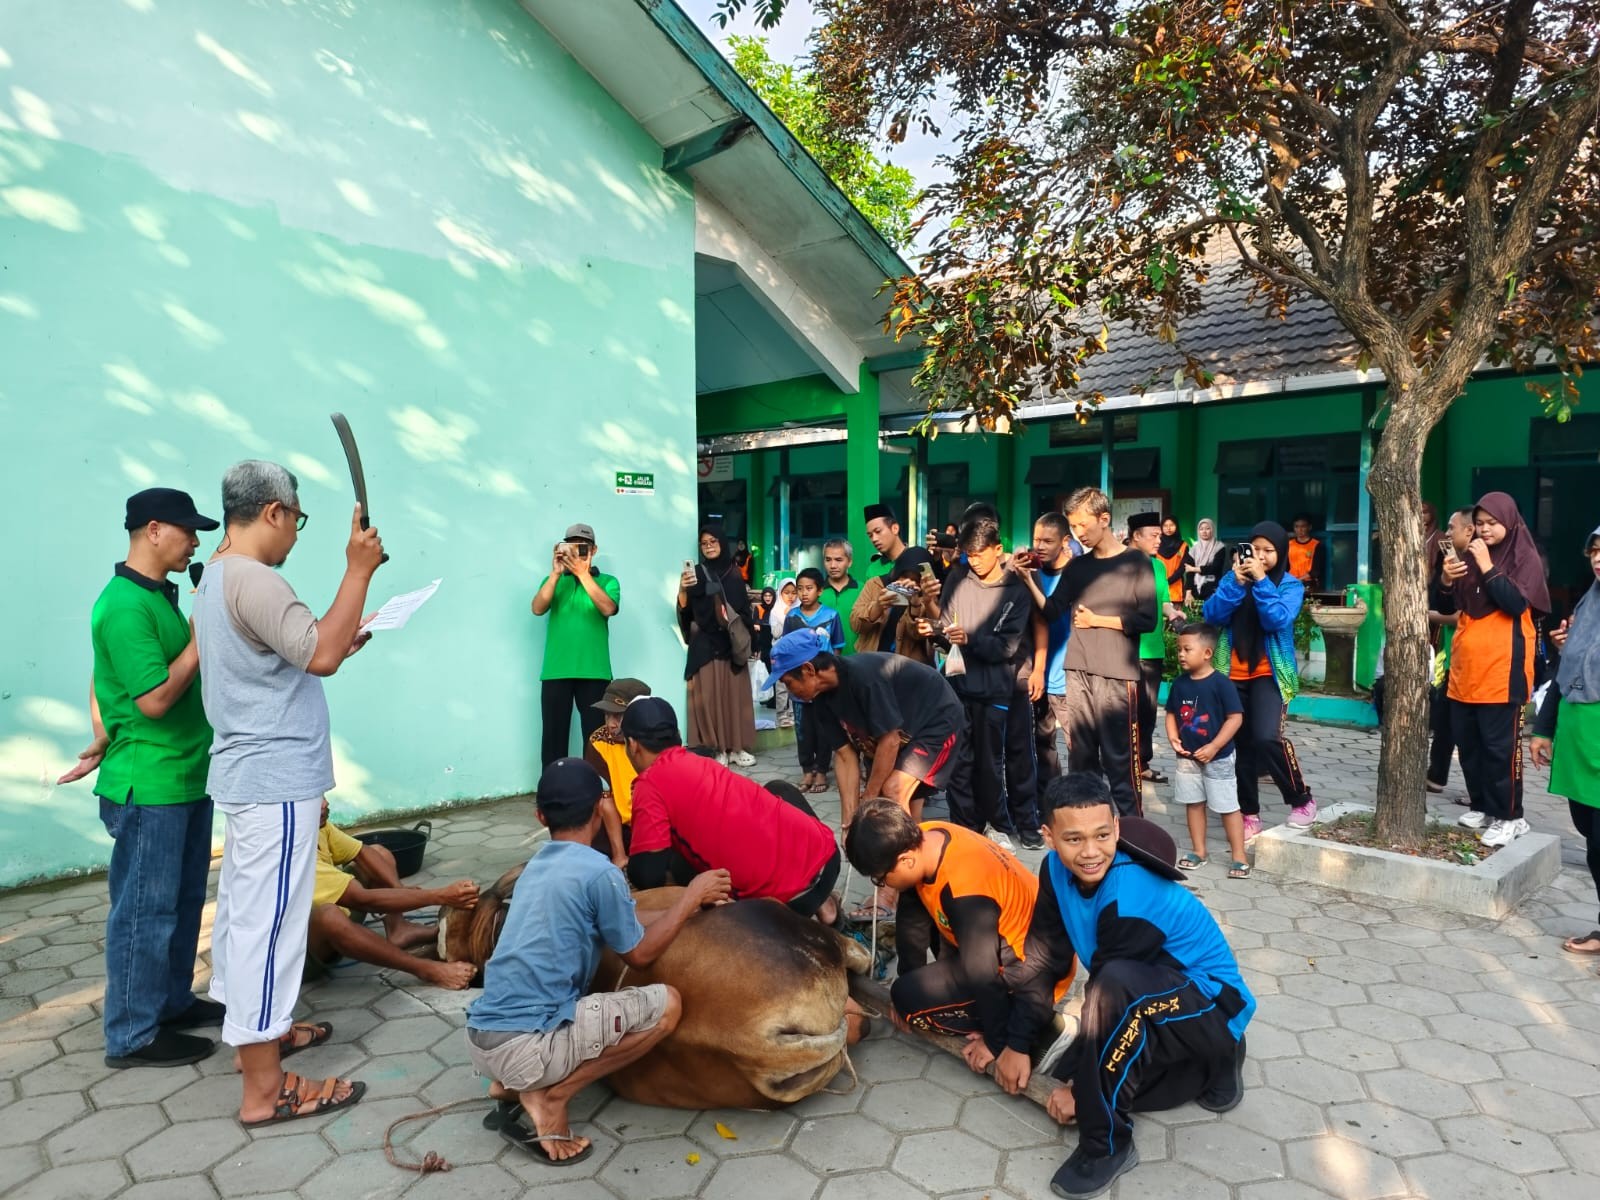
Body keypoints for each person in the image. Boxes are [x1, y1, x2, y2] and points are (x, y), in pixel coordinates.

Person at [192, 460, 380, 1126]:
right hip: (274, 780)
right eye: (297, 520)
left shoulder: (217, 576)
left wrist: (334, 639)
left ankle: (265, 1036)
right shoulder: (257, 578)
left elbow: (304, 652)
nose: (298, 534)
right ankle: (265, 1092)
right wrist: (357, 570)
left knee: (249, 918)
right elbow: (318, 656)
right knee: (269, 931)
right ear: (273, 511)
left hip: (251, 777)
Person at [466, 757, 733, 1164]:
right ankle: (553, 1098)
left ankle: (507, 1085)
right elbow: (639, 955)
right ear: (599, 809)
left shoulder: (536, 866)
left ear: (540, 816)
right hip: (526, 1047)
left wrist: (684, 908)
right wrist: (692, 894)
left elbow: (619, 919)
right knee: (668, 1006)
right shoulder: (598, 870)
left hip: (482, 1039)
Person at [1031, 773, 1255, 1199]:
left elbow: (1108, 997)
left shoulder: (1129, 894)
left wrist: (1082, 1092)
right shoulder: (1054, 873)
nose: (1091, 851)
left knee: (1107, 1017)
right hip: (1155, 993)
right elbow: (1044, 956)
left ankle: (1107, 1145)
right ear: (1048, 836)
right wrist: (1012, 1043)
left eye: (1102, 835)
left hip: (1212, 1002)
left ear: (1117, 827)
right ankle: (1207, 1064)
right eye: (1073, 839)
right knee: (1095, 1067)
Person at [63, 488, 223, 1069]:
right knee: (143, 912)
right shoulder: (126, 604)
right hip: (148, 785)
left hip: (183, 776)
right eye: (188, 531)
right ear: (153, 530)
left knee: (181, 906)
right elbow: (154, 698)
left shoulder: (154, 598)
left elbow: (102, 676)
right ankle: (131, 1033)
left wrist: (102, 732)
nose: (196, 542)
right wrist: (205, 635)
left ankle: (172, 1003)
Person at [843, 799, 1073, 1088]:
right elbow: (912, 925)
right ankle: (995, 1018)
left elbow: (983, 974)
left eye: (880, 879)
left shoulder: (966, 893)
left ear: (905, 861)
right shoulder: (925, 837)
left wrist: (995, 1042)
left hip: (1030, 971)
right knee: (908, 991)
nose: (881, 886)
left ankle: (1040, 1032)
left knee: (910, 999)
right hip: (992, 947)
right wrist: (908, 978)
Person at [622, 697, 844, 925]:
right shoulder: (700, 760)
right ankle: (824, 903)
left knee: (679, 868)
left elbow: (648, 875)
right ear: (677, 734)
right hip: (829, 859)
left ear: (633, 744)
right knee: (779, 789)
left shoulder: (649, 785)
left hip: (790, 901)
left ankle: (809, 906)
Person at [1014, 487, 1157, 818]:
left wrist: (1098, 620)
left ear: (1103, 519)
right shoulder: (1078, 567)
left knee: (1119, 759)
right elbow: (1051, 611)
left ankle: (1134, 834)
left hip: (1117, 675)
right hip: (1077, 672)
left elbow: (1147, 619)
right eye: (1073, 527)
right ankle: (1088, 824)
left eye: (1082, 525)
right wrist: (1027, 580)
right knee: (1081, 759)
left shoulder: (1136, 561)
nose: (1077, 533)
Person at [918, 515, 1037, 845]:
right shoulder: (958, 578)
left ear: (998, 549)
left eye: (980, 554)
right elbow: (946, 628)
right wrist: (936, 632)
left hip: (995, 690)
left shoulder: (1017, 591)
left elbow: (1007, 647)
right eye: (969, 555)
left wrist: (968, 639)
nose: (975, 561)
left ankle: (998, 825)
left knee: (989, 764)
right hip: (957, 686)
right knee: (959, 763)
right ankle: (964, 827)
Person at [773, 634, 969, 832]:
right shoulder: (820, 700)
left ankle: (908, 858)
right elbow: (844, 756)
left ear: (808, 669)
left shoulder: (863, 678)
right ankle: (914, 853)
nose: (789, 692)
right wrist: (849, 824)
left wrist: (869, 796)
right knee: (904, 809)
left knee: (892, 790)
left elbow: (890, 742)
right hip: (900, 731)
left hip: (937, 719)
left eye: (788, 682)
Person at [1442, 491, 1550, 847]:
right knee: (1468, 744)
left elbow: (1515, 601)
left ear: (1510, 522)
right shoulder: (1470, 555)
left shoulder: (1525, 558)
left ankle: (1510, 816)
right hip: (1466, 670)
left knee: (1499, 748)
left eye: (1492, 524)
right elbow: (1450, 604)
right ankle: (1484, 805)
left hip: (1503, 671)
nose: (1484, 531)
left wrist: (1487, 565)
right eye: (1480, 525)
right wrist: (1446, 579)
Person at [1202, 521, 1316, 839]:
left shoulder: (1290, 586)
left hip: (1269, 674)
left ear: (1281, 553)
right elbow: (1212, 615)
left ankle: (1302, 799)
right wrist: (1236, 585)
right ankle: (1249, 813)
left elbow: (1276, 619)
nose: (1261, 556)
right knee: (1240, 747)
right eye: (1256, 550)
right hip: (1232, 674)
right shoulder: (1232, 579)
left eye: (1269, 551)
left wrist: (1262, 581)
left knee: (1267, 737)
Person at [307, 800, 479, 989]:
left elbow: (362, 852)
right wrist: (440, 895)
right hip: (305, 955)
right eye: (312, 799)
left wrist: (399, 890)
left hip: (342, 915)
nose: (324, 803)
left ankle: (399, 930)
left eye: (321, 794)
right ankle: (426, 970)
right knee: (329, 915)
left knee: (379, 853)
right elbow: (363, 899)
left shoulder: (316, 823)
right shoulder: (290, 855)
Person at [1531, 525, 1600, 964]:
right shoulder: (1587, 603)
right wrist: (1543, 729)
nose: (1599, 558)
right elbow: (1564, 672)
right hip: (1578, 731)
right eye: (1595, 550)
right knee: (1590, 834)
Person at [531, 522, 620, 767]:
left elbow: (608, 607)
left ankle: (594, 796)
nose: (578, 551)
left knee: (596, 738)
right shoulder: (554, 580)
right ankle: (552, 794)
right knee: (552, 737)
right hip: (556, 670)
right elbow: (537, 608)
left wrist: (583, 573)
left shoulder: (608, 581)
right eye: (572, 546)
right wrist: (555, 573)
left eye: (584, 547)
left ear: (594, 550)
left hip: (594, 671)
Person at [1166, 624, 1249, 878]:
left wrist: (1215, 746)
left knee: (1226, 805)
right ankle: (1199, 851)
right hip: (1188, 758)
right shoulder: (1179, 684)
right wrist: (1172, 737)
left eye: (1187, 649)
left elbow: (1235, 718)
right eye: (1179, 649)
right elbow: (1171, 713)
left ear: (1207, 653)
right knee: (1193, 803)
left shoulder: (1221, 684)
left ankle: (1239, 856)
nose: (1181, 654)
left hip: (1219, 758)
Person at [677, 527, 757, 767]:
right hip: (704, 644)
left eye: (713, 541)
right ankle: (716, 749)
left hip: (729, 644)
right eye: (703, 543)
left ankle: (736, 747)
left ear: (723, 543)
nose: (709, 546)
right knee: (709, 698)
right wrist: (682, 588)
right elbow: (685, 610)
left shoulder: (734, 574)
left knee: (734, 697)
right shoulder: (697, 573)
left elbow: (743, 611)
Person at [784, 569, 846, 791]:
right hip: (800, 685)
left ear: (820, 590)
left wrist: (831, 680)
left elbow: (838, 648)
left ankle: (821, 770)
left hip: (822, 686)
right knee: (803, 729)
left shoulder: (831, 615)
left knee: (824, 728)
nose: (803, 593)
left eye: (809, 588)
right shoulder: (792, 618)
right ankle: (807, 770)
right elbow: (787, 649)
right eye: (800, 588)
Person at [1425, 509, 1473, 793]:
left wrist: (1426, 615)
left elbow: (1461, 615)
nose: (1448, 533)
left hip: (1476, 659)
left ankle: (1480, 794)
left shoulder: (1475, 567)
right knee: (1444, 718)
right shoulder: (1454, 562)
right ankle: (1436, 776)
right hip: (1456, 653)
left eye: (1452, 527)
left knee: (1464, 727)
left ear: (1469, 531)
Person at [1127, 513, 1176, 786]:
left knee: (1147, 713)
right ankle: (1122, 766)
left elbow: (1165, 600)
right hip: (1125, 651)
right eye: (1154, 535)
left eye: (1160, 535)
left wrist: (1173, 613)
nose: (1160, 540)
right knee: (1124, 713)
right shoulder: (1120, 564)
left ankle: (1141, 763)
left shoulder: (1159, 567)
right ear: (1136, 536)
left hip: (1152, 650)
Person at [1028, 513, 1076, 784]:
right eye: (1037, 539)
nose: (1040, 546)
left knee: (1077, 746)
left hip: (1068, 678)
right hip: (1037, 677)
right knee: (1042, 744)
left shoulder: (1077, 573)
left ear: (1064, 541)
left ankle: (1082, 802)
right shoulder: (1031, 574)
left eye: (1048, 540)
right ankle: (1049, 799)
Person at [585, 677, 652, 868]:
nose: (611, 724)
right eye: (607, 715)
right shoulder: (598, 742)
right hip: (619, 827)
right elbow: (606, 800)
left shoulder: (656, 737)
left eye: (618, 716)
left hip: (654, 822)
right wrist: (619, 854)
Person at [853, 504, 913, 653]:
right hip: (878, 650)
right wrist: (878, 606)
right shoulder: (873, 569)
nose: (874, 539)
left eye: (878, 531)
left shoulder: (915, 560)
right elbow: (857, 619)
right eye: (870, 535)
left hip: (909, 651)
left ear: (895, 528)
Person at [818, 538, 863, 654]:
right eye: (828, 560)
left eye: (838, 560)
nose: (833, 565)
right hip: (824, 663)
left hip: (858, 661)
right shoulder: (817, 592)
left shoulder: (863, 590)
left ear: (849, 562)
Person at [1185, 518, 1227, 602]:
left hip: (1213, 588)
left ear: (1212, 530)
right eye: (1201, 529)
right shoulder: (1193, 549)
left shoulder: (1219, 547)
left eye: (1207, 528)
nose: (1204, 531)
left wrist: (1194, 569)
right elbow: (1189, 572)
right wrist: (1188, 593)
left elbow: (1215, 568)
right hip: (1195, 589)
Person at [1286, 515, 1326, 591]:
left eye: (1303, 526)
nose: (1299, 530)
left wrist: (1299, 580)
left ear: (1309, 527)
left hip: (1308, 583)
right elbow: (1285, 566)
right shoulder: (1289, 544)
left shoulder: (1316, 545)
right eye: (1296, 527)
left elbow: (1316, 571)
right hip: (1290, 582)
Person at [1157, 517, 1188, 606]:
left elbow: (1182, 568)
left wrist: (1167, 582)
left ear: (1176, 527)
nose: (1168, 528)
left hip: (1176, 590)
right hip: (1158, 589)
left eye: (1171, 525)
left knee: (1175, 618)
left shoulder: (1183, 545)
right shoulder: (1156, 544)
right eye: (1165, 526)